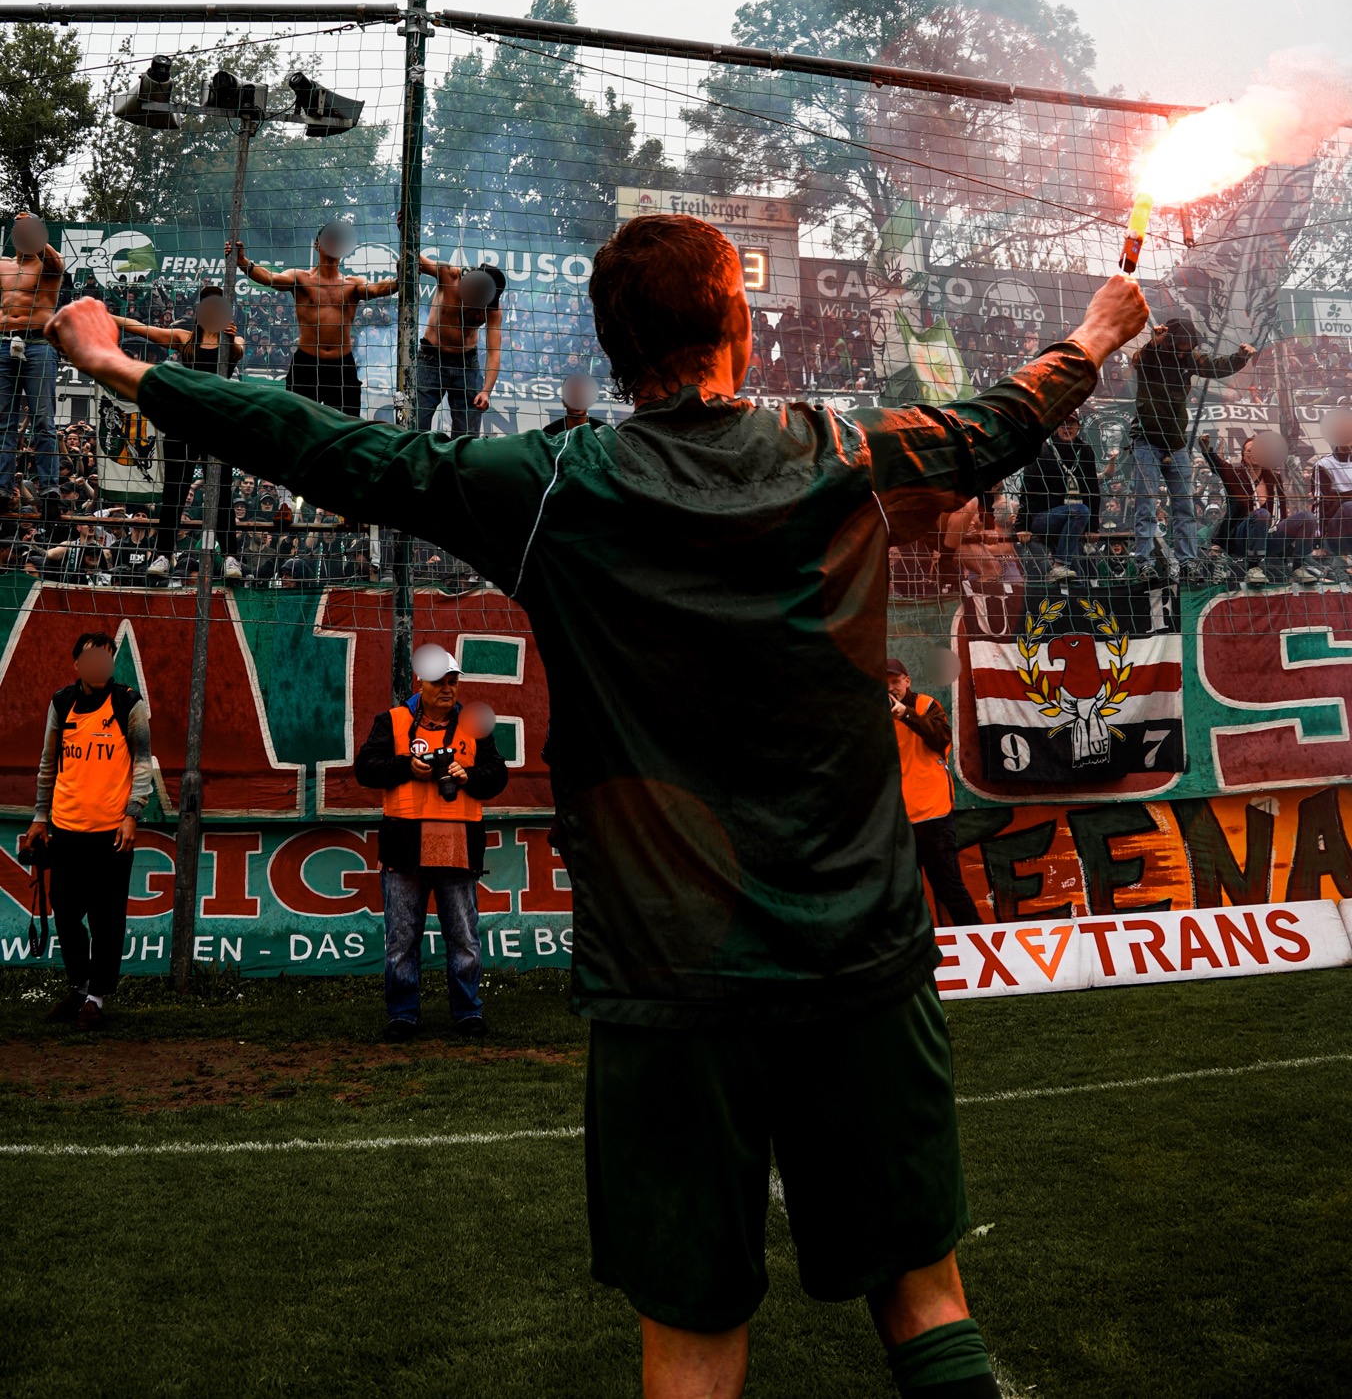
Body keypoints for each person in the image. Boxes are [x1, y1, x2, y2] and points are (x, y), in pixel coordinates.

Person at [46, 216, 1147, 1399]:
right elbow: (995, 422)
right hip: (858, 957)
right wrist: (1092, 331)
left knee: (689, 1338)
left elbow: (339, 451)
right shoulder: (842, 451)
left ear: (613, 349)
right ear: (736, 321)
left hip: (669, 978)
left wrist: (126, 368)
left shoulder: (555, 485)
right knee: (924, 1296)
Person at [353, 642, 508, 1040]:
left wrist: (467, 776)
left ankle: (468, 1013)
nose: (448, 688)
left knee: (464, 937)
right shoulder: (392, 721)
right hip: (405, 847)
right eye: (439, 681)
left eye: (453, 681)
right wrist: (408, 767)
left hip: (457, 845)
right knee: (402, 938)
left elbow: (497, 777)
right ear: (421, 681)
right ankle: (403, 1015)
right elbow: (366, 769)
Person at [22, 632, 152, 1031]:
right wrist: (40, 817)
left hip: (111, 833)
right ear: (77, 664)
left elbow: (144, 763)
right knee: (64, 914)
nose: (101, 666)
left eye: (107, 659)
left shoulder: (128, 702)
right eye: (93, 659)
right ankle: (78, 986)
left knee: (107, 919)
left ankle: (96, 997)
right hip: (65, 829)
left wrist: (133, 814)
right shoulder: (62, 702)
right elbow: (48, 763)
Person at [108, 289, 246, 583]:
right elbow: (144, 329)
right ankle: (164, 553)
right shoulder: (186, 339)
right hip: (183, 421)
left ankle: (231, 556)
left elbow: (237, 353)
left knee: (221, 491)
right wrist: (109, 317)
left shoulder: (233, 340)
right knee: (174, 491)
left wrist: (230, 338)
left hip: (217, 424)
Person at [1130, 316, 1254, 579]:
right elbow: (1138, 360)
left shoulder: (1190, 360)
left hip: (1176, 443)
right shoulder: (1152, 357)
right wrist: (1155, 342)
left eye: (1189, 344)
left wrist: (1240, 358)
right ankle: (1144, 562)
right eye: (1181, 344)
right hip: (1146, 439)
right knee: (1146, 505)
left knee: (1185, 506)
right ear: (1171, 340)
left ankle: (1187, 562)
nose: (1185, 349)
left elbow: (1216, 365)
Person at [233, 221, 397, 415]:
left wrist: (402, 278)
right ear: (317, 245)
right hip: (306, 364)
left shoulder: (353, 284)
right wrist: (244, 263)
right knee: (298, 421)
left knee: (345, 424)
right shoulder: (300, 278)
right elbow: (270, 278)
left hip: (341, 365)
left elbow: (378, 288)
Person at [888, 661, 978, 927]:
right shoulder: (874, 715)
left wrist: (905, 714)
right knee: (904, 895)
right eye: (885, 682)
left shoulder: (926, 705)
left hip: (934, 816)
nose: (891, 687)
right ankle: (917, 951)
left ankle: (979, 943)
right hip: (898, 821)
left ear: (907, 681)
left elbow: (941, 738)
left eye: (895, 681)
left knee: (949, 889)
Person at [0, 214, 66, 521]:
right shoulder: (2, 264)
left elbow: (59, 265)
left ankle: (50, 489)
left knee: (43, 420)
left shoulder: (47, 265)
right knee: (3, 423)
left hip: (39, 344)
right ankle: (1, 489)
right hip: (2, 344)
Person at [1198, 429, 1320, 586]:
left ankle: (1298, 568)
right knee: (1262, 514)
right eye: (1250, 451)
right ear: (1244, 456)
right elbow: (1219, 466)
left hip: (1270, 536)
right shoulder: (1236, 475)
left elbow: (1281, 513)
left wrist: (1286, 549)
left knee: (1307, 517)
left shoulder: (1274, 479)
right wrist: (1207, 450)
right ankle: (1253, 569)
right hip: (1243, 538)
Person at [415, 253, 506, 436]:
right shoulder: (449, 275)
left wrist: (486, 391)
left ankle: (458, 464)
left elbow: (494, 351)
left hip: (466, 364)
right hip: (430, 358)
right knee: (416, 422)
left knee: (467, 434)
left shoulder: (492, 310)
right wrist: (406, 230)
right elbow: (415, 259)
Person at [1015, 407, 1101, 581]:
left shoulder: (1085, 451)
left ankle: (1063, 580)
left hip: (1071, 522)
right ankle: (1060, 564)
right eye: (1062, 423)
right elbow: (1027, 488)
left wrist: (1093, 527)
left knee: (1078, 577)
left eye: (1071, 423)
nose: (1066, 428)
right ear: (1054, 426)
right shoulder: (1041, 449)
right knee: (1080, 511)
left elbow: (1092, 490)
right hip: (1043, 518)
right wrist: (1022, 525)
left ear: (1079, 426)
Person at [1311, 410, 1352, 564]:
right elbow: (1319, 504)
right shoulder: (1324, 465)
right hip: (1336, 531)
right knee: (1349, 507)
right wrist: (1317, 542)